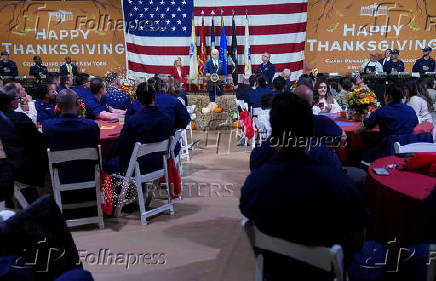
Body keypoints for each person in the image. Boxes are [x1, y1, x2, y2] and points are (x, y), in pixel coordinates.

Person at [240, 93, 369, 280]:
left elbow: (252, 216)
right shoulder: (337, 181)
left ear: (274, 133)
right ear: (310, 131)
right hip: (326, 272)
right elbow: (359, 238)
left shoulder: (255, 182)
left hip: (275, 270)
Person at [43, 89, 100, 218]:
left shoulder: (48, 127)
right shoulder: (91, 126)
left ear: (57, 106)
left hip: (61, 175)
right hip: (89, 173)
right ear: (77, 103)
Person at [106, 82, 173, 175]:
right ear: (155, 97)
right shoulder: (168, 119)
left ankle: (117, 189)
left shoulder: (133, 122)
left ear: (137, 99)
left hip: (136, 167)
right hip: (161, 164)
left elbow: (121, 147)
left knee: (106, 162)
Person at [355, 84, 418, 162]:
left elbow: (357, 130)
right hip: (409, 149)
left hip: (387, 150)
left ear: (388, 97)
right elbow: (415, 124)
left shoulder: (382, 111)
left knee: (357, 152)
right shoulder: (410, 110)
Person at [0, 86, 46, 187]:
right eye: (18, 99)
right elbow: (37, 140)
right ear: (12, 102)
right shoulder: (19, 118)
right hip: (18, 167)